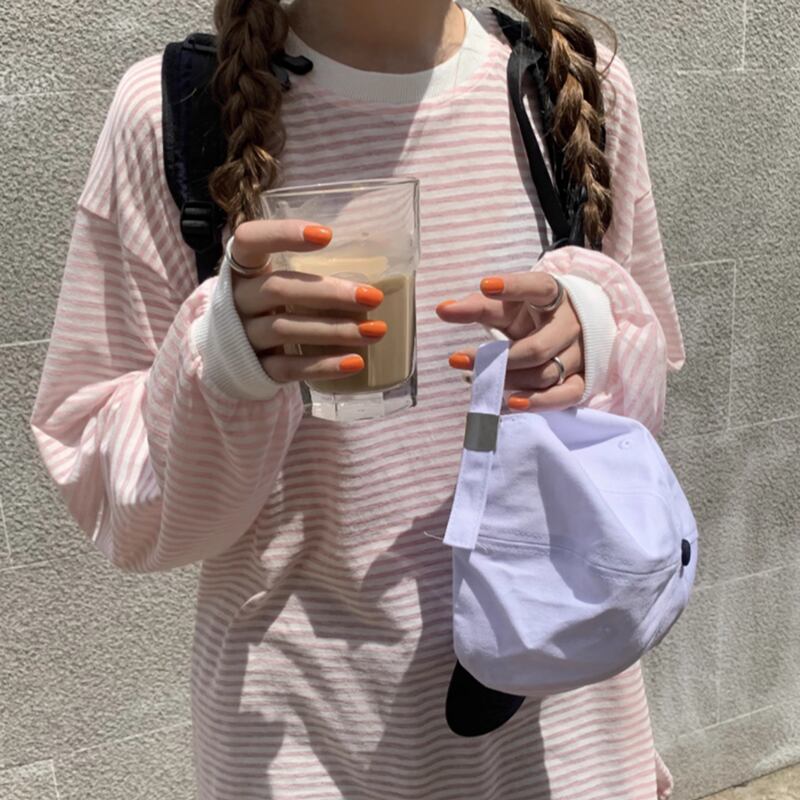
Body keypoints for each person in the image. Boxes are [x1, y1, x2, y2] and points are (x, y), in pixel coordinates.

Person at [31, 0, 686, 797]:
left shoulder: (571, 85)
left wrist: (594, 336)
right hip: (304, 742)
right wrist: (225, 359)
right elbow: (113, 492)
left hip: (566, 721)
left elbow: (642, 417)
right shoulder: (172, 111)